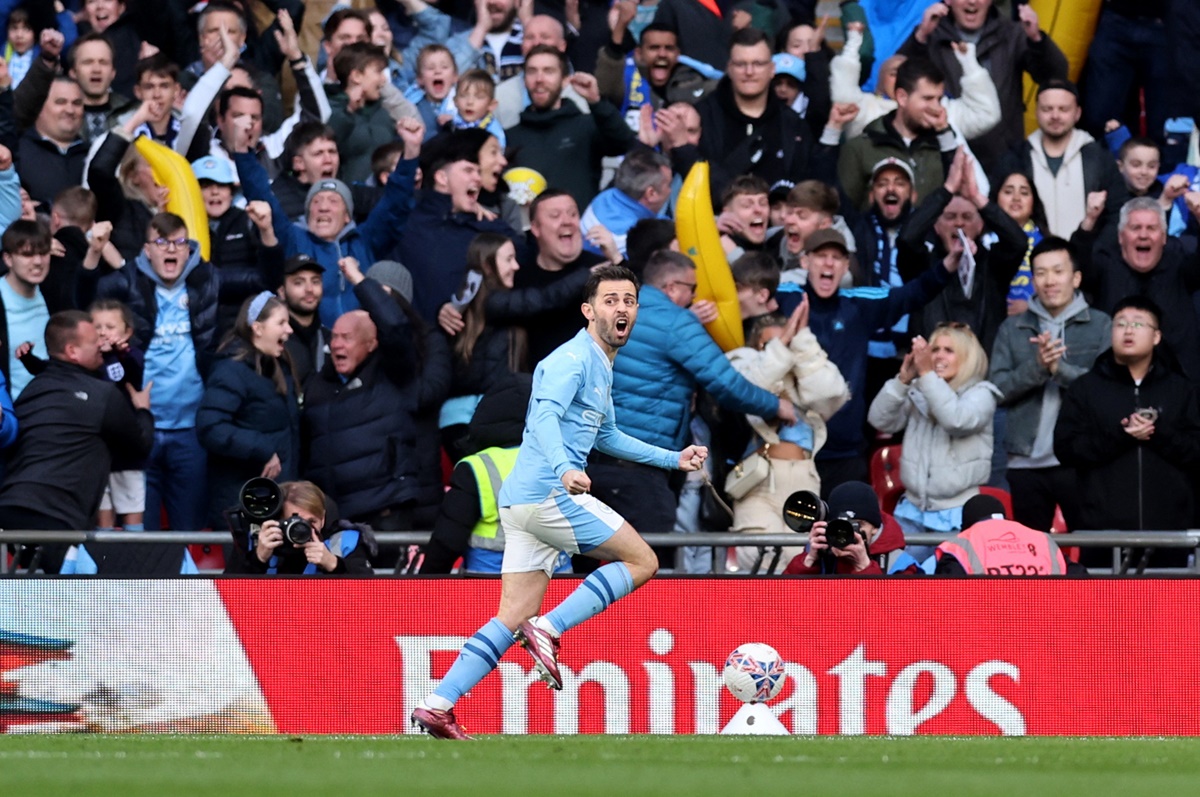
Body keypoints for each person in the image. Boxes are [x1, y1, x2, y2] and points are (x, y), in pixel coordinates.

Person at [411, 264, 709, 740]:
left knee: (512, 615)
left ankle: (437, 704)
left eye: (629, 300)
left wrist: (673, 458)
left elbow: (607, 435)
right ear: (588, 311)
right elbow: (546, 417)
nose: (622, 308)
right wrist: (565, 468)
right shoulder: (572, 360)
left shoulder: (600, 362)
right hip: (550, 494)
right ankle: (549, 628)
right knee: (642, 560)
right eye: (610, 300)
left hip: (525, 503)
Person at [595, 250, 790, 563]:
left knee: (593, 562)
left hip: (598, 461)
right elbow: (725, 383)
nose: (695, 297)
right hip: (643, 464)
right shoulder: (676, 322)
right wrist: (775, 406)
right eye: (692, 288)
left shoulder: (615, 312)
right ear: (672, 288)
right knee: (650, 562)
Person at [776, 228, 959, 497]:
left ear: (846, 266)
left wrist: (949, 264)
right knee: (793, 537)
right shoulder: (783, 297)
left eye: (836, 258)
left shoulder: (858, 304)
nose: (828, 263)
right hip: (792, 448)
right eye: (821, 256)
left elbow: (912, 294)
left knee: (844, 534)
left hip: (846, 452)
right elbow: (742, 295)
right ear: (805, 262)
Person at [0, 310, 153, 573]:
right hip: (54, 523)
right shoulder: (102, 395)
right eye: (93, 341)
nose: (101, 345)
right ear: (72, 351)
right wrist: (143, 411)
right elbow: (141, 444)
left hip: (8, 514)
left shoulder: (30, 391)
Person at [1054, 295, 1200, 570]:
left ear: (1157, 336)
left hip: (1170, 532)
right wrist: (1121, 435)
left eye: (1138, 323)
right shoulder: (1086, 388)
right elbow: (1066, 449)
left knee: (1169, 611)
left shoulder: (1181, 389)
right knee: (1103, 611)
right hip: (1101, 533)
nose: (1128, 330)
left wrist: (1157, 433)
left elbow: (1195, 450)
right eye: (1120, 323)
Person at [96, 212, 220, 534]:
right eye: (162, 242)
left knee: (188, 532)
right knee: (142, 536)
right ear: (147, 250)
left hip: (191, 430)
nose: (172, 249)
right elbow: (82, 294)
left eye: (180, 242)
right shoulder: (126, 282)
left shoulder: (206, 281)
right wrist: (94, 252)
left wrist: (266, 233)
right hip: (142, 429)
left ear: (189, 250)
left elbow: (261, 279)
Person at [989, 237, 1110, 533]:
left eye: (1058, 271)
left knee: (1092, 551)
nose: (1049, 281)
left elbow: (1105, 392)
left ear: (1076, 277)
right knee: (1032, 557)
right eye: (1040, 273)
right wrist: (1038, 368)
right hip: (1024, 462)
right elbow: (997, 390)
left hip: (1080, 459)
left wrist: (1058, 369)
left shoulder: (1101, 324)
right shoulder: (1012, 327)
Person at [725, 302, 849, 573]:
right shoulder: (742, 359)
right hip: (759, 478)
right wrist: (780, 347)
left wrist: (802, 342)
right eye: (770, 343)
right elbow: (748, 390)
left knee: (800, 559)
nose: (780, 347)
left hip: (804, 476)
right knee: (758, 558)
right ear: (757, 344)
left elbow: (832, 394)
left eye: (786, 341)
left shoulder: (804, 373)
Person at [867, 322, 1001, 560]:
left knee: (950, 590)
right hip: (912, 510)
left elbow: (956, 420)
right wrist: (902, 380)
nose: (938, 356)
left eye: (949, 351)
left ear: (968, 358)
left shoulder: (982, 394)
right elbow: (880, 421)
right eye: (935, 349)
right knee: (901, 584)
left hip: (957, 513)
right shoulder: (921, 388)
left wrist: (927, 374)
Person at [898, 0, 1068, 170]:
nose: (972, 1)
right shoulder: (933, 35)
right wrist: (921, 36)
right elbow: (897, 81)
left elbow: (1055, 77)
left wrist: (1036, 39)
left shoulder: (1012, 34)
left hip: (1003, 161)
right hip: (944, 159)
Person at [196, 292, 300, 530]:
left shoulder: (276, 366)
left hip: (273, 498)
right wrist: (262, 448)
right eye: (281, 323)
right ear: (258, 328)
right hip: (242, 503)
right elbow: (210, 427)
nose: (289, 330)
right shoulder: (231, 371)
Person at [504, 45, 636, 210]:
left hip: (579, 231)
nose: (539, 79)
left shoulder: (586, 125)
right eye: (532, 71)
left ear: (565, 79)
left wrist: (596, 102)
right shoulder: (510, 136)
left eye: (548, 71)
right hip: (528, 232)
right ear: (524, 81)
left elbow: (624, 143)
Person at [994, 79, 1125, 238]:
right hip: (1029, 259)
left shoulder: (1099, 158)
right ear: (1036, 112)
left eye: (1063, 109)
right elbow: (997, 211)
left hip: (1084, 259)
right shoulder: (1015, 158)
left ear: (1077, 113)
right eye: (1047, 109)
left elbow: (1117, 213)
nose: (1055, 115)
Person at [837, 57, 958, 212]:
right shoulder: (861, 147)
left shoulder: (946, 142)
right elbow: (845, 211)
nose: (936, 108)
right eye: (927, 99)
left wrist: (945, 135)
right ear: (902, 97)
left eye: (939, 99)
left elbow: (962, 196)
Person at [224, 479, 375, 575]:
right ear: (279, 519)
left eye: (311, 522)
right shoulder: (258, 541)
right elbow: (223, 600)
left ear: (322, 518)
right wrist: (257, 559)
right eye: (294, 521)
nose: (303, 529)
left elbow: (370, 599)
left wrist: (334, 565)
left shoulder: (344, 542)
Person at [89, 298, 146, 532]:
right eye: (97, 327)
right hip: (98, 449)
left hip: (126, 450)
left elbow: (118, 376)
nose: (103, 333)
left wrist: (114, 354)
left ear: (127, 331)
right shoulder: (88, 359)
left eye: (110, 327)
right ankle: (104, 566)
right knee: (103, 520)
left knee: (132, 518)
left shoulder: (133, 356)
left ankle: (136, 565)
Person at [783, 481, 912, 575]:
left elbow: (897, 609)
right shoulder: (822, 550)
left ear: (875, 528)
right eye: (840, 525)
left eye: (857, 525)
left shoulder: (898, 562)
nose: (847, 533)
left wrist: (864, 566)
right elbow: (783, 600)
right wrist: (809, 560)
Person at [930, 492, 1076, 575]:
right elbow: (1081, 581)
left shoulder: (961, 544)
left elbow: (947, 599)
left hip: (986, 622)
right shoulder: (1042, 539)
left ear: (966, 526)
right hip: (1045, 621)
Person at [0, 220, 53, 397]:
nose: (38, 261)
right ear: (8, 259)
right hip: (11, 412)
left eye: (44, 253)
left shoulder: (53, 293)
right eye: (28, 254)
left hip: (54, 400)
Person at [991, 170, 1048, 318]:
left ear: (1033, 201)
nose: (1016, 198)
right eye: (1008, 192)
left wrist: (1033, 305)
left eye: (1024, 193)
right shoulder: (983, 240)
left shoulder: (1047, 243)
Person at [278, 254, 329, 390]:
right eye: (298, 283)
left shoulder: (331, 339)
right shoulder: (275, 341)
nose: (309, 289)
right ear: (282, 292)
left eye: (315, 281)